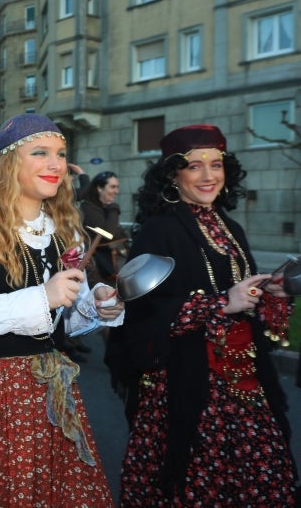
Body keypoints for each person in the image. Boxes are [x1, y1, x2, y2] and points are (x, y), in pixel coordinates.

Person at [0, 113, 124, 506]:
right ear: (9, 163)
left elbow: (65, 319)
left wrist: (97, 305)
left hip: (55, 386)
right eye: (40, 152)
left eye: (60, 154)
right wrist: (43, 296)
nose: (55, 164)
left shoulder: (65, 227)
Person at [106, 124, 296, 506]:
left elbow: (243, 296)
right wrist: (220, 303)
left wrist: (267, 292)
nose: (209, 176)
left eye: (216, 164)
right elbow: (143, 317)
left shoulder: (231, 226)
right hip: (187, 384)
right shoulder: (158, 230)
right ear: (173, 174)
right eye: (194, 166)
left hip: (245, 382)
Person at [80, 171, 128, 286]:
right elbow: (108, 234)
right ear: (99, 188)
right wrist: (113, 208)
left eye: (117, 187)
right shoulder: (87, 209)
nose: (116, 191)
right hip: (102, 271)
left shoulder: (102, 207)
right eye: (112, 187)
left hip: (114, 266)